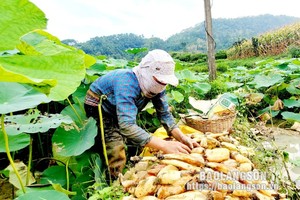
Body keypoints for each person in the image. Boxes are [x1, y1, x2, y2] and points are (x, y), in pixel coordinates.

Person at [84, 49, 199, 178]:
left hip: (120, 105)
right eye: (159, 81)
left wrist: (182, 137)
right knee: (114, 143)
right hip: (100, 106)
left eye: (164, 82)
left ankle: (133, 162)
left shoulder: (157, 84)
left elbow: (165, 114)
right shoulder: (127, 82)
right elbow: (127, 126)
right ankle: (114, 180)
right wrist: (164, 145)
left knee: (133, 135)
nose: (161, 85)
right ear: (146, 72)